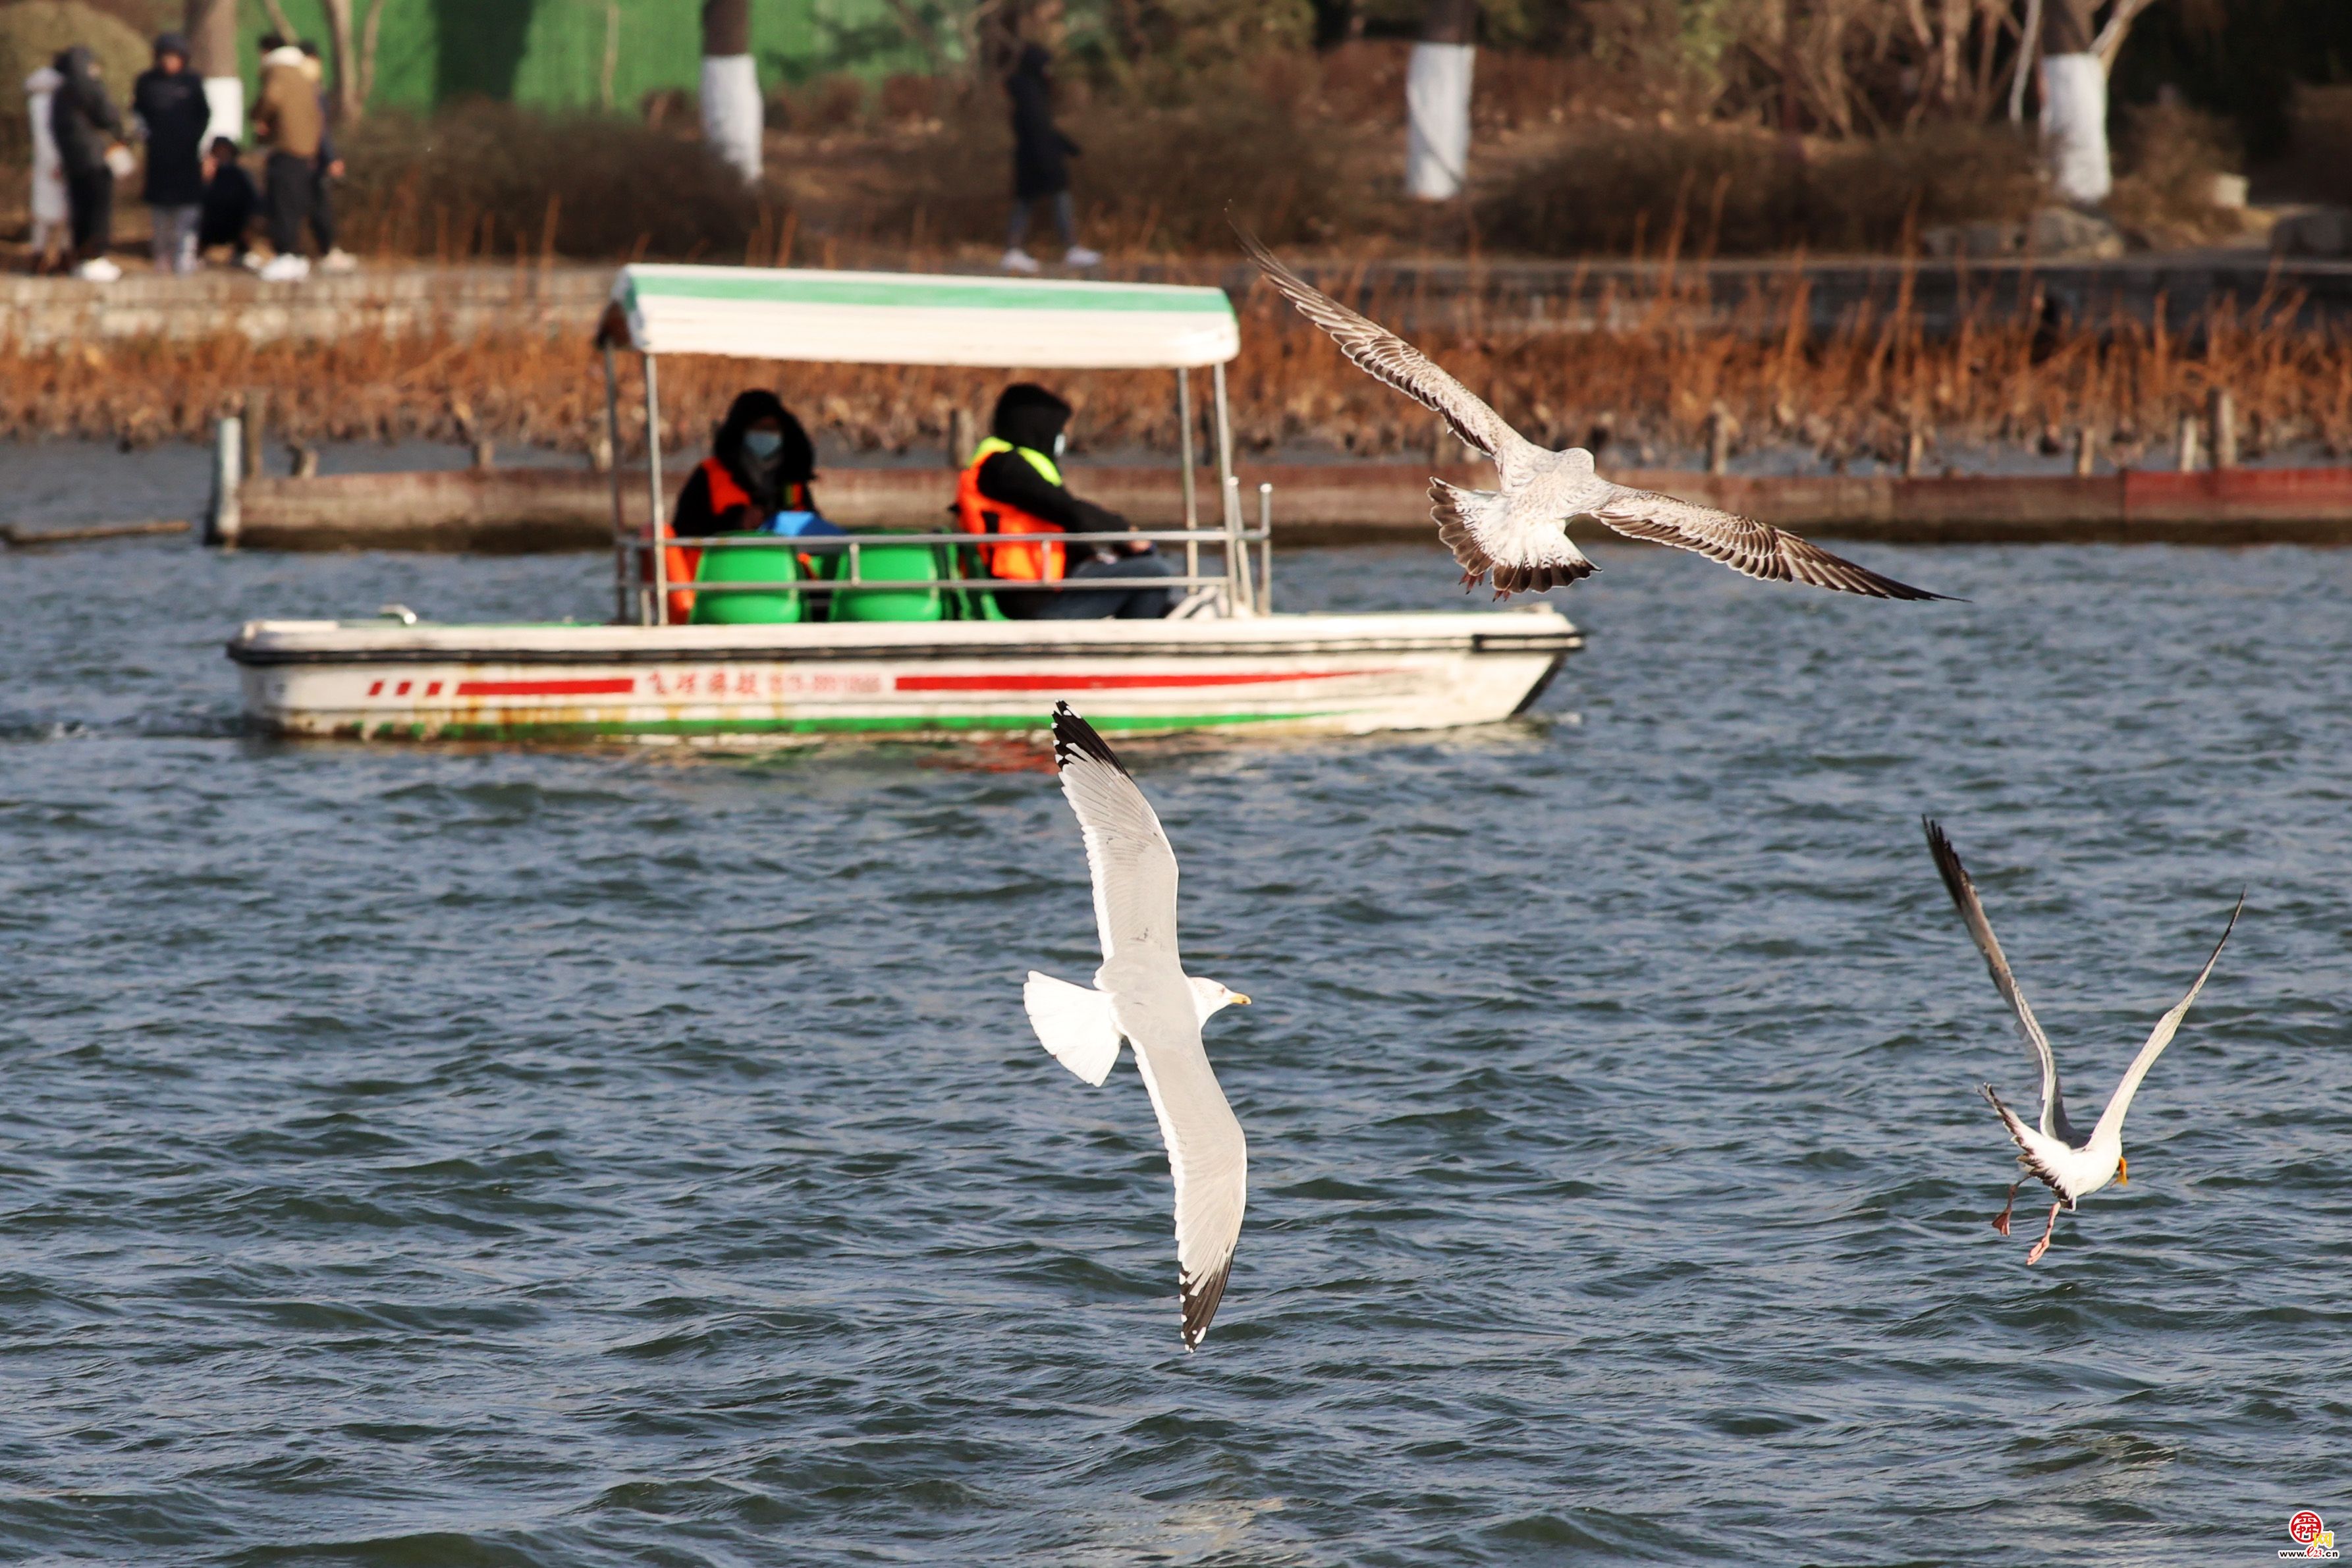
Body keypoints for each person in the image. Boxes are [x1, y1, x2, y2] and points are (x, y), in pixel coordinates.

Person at [954, 384, 1173, 620]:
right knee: (1154, 573)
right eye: (1057, 429)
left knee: (1152, 588)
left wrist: (1098, 553)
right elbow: (1067, 509)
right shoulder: (1004, 468)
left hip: (1045, 588)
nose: (1061, 437)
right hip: (1031, 601)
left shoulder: (1008, 465)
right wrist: (1127, 534)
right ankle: (1136, 652)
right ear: (1036, 426)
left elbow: (1059, 518)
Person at [659, 391, 820, 622]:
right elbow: (684, 533)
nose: (767, 435)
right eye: (759, 428)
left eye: (773, 429)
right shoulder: (708, 476)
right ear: (741, 431)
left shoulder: (793, 480)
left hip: (787, 591)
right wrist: (736, 522)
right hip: (719, 591)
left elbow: (815, 529)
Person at [1000, 43, 1099, 274]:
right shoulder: (1029, 93)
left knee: (1040, 201)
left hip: (1038, 157)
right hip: (1038, 160)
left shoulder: (1032, 91)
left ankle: (1022, 250)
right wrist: (1051, 157)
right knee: (1039, 200)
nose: (1050, 71)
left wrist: (1068, 147)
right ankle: (1022, 250)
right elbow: (1038, 130)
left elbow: (1044, 128)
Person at [132, 34, 208, 275]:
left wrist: (192, 139)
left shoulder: (192, 82)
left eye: (174, 58)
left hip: (186, 158)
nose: (169, 63)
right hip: (159, 158)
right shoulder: (146, 82)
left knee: (187, 211)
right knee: (161, 213)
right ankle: (162, 257)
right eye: (165, 57)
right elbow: (138, 114)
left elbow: (204, 115)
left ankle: (185, 257)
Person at [49, 47, 127, 282]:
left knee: (79, 210)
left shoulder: (59, 93)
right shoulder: (87, 86)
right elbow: (108, 116)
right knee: (97, 210)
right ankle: (95, 257)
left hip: (73, 161)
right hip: (94, 158)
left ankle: (82, 258)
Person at [250, 34, 319, 281]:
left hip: (285, 147)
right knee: (296, 203)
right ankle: (296, 256)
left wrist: (258, 117)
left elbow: (271, 98)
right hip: (305, 149)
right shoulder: (303, 74)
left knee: (281, 203)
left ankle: (285, 255)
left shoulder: (278, 71)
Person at [294, 41, 354, 273]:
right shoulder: (309, 91)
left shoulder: (309, 89)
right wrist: (331, 158)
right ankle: (325, 251)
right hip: (311, 159)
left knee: (312, 206)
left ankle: (319, 251)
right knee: (317, 207)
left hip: (308, 158)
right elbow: (319, 129)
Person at [24, 61, 70, 273]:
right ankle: (54, 256)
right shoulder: (48, 104)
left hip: (46, 165)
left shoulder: (36, 102)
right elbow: (46, 140)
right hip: (52, 165)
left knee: (48, 214)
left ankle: (45, 255)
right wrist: (57, 163)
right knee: (58, 214)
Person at [198, 136, 258, 265]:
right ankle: (196, 255)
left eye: (225, 151)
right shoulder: (206, 172)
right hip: (209, 221)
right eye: (217, 152)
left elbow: (252, 199)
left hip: (234, 221)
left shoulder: (240, 175)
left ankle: (241, 254)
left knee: (247, 224)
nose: (221, 155)